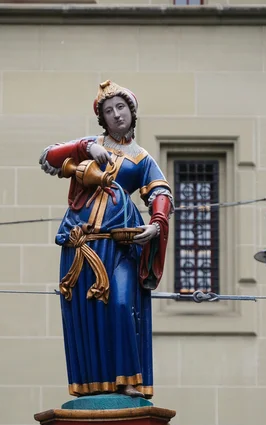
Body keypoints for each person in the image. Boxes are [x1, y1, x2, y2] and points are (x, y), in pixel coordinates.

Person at [40, 80, 173, 399]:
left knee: (123, 302)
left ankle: (129, 379)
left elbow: (160, 191)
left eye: (121, 108)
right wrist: (87, 146)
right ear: (102, 118)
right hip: (82, 243)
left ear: (132, 112)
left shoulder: (141, 159)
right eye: (109, 110)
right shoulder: (90, 146)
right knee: (85, 313)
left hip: (121, 244)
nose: (116, 115)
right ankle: (91, 383)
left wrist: (156, 224)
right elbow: (50, 157)